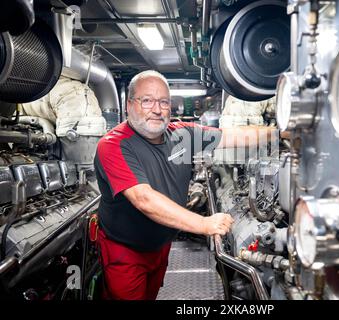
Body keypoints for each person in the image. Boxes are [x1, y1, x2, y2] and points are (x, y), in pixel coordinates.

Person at [94, 70, 279, 300]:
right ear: (129, 105)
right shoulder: (114, 145)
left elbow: (236, 137)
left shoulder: (182, 135)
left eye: (164, 102)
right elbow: (144, 199)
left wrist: (281, 132)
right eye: (147, 100)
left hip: (160, 245)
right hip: (125, 251)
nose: (157, 109)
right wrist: (204, 223)